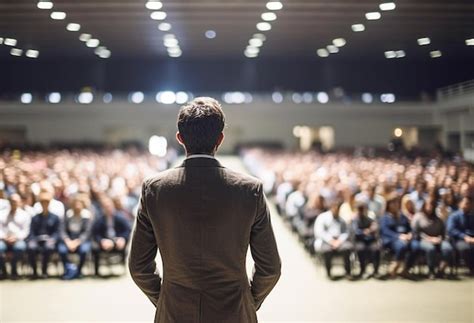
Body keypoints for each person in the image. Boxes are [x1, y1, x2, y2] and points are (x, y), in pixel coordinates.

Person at [128, 97, 281, 323]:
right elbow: (270, 268)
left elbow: (139, 266)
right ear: (220, 138)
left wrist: (165, 297)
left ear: (180, 139)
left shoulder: (154, 189)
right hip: (234, 309)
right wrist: (249, 299)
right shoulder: (250, 190)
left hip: (174, 309)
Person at [411, 197, 453, 279]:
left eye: (431, 206)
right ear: (424, 206)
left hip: (438, 240)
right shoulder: (418, 217)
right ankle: (431, 271)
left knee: (448, 248)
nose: (429, 208)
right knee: (431, 249)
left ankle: (441, 270)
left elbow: (444, 232)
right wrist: (428, 238)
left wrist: (439, 239)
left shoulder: (438, 218)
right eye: (428, 205)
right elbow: (415, 232)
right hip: (423, 240)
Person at [379, 195, 417, 278]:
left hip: (405, 239)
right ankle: (394, 266)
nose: (395, 205)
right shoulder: (385, 217)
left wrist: (410, 234)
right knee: (401, 245)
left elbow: (409, 228)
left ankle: (406, 269)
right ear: (388, 205)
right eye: (393, 203)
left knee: (415, 246)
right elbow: (385, 231)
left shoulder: (402, 216)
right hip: (390, 240)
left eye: (396, 203)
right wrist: (398, 236)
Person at [314, 199, 353, 279]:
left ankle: (348, 272)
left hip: (339, 241)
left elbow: (345, 232)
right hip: (326, 240)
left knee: (347, 248)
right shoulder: (322, 217)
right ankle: (329, 272)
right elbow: (320, 232)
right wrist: (331, 241)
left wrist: (339, 241)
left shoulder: (341, 219)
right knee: (327, 250)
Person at [92, 197, 131, 276]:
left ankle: (124, 268)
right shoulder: (99, 219)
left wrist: (123, 238)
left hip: (117, 241)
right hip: (105, 242)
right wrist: (101, 241)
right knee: (94, 249)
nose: (108, 208)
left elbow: (127, 230)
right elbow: (95, 233)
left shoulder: (120, 217)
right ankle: (96, 272)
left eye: (109, 206)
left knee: (123, 246)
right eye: (105, 207)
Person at [27, 191, 61, 279]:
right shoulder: (35, 217)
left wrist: (52, 239)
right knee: (31, 248)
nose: (44, 204)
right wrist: (32, 240)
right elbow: (31, 232)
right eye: (42, 202)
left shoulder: (55, 217)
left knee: (48, 248)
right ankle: (34, 271)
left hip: (49, 241)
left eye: (46, 202)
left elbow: (57, 232)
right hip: (37, 241)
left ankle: (44, 271)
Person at [58, 196, 93, 279]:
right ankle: (68, 270)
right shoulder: (67, 215)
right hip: (69, 240)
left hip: (82, 241)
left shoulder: (87, 216)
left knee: (84, 251)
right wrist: (67, 241)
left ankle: (79, 271)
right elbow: (62, 231)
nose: (77, 206)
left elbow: (87, 232)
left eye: (79, 204)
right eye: (75, 204)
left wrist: (77, 242)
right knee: (62, 250)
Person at [0, 194, 31, 279]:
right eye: (12, 201)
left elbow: (26, 231)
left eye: (16, 202)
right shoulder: (2, 214)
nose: (14, 203)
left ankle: (14, 269)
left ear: (20, 202)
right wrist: (4, 237)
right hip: (3, 239)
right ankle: (3, 270)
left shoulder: (25, 215)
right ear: (9, 202)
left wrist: (16, 237)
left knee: (20, 248)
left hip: (18, 240)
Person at [351, 198, 380, 278]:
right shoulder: (355, 220)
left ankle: (376, 271)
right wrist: (365, 232)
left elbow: (375, 226)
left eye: (363, 209)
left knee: (376, 248)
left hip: (370, 240)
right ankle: (362, 270)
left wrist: (371, 229)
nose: (361, 212)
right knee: (361, 249)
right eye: (360, 210)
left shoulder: (369, 219)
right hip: (359, 241)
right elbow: (355, 231)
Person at [447, 196, 474, 275]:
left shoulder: (472, 216)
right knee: (466, 248)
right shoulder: (454, 216)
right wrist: (465, 237)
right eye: (466, 203)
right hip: (458, 239)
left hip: (471, 238)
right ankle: (471, 268)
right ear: (460, 204)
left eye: (469, 204)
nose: (467, 205)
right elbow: (451, 230)